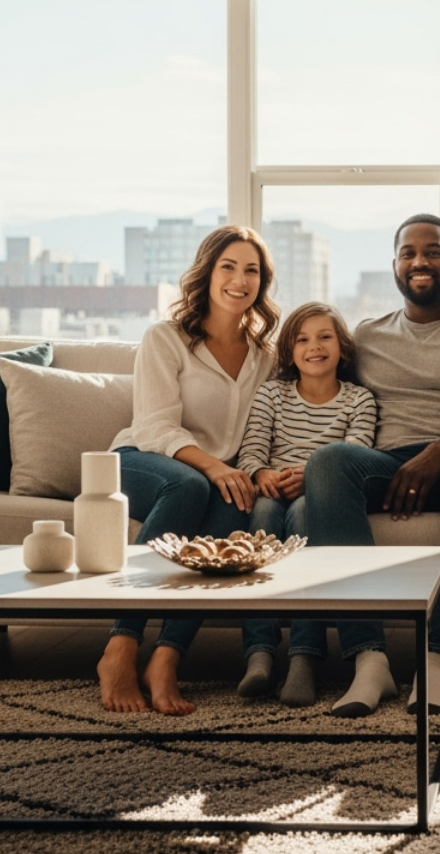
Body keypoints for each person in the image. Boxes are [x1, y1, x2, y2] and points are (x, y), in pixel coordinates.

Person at [301, 213, 440, 717]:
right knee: (328, 462)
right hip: (388, 464)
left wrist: (439, 451)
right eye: (409, 253)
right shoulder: (369, 334)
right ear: (395, 265)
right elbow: (323, 390)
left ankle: (437, 659)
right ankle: (369, 659)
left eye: (432, 251)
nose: (420, 261)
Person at [97, 225, 281, 716]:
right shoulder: (165, 338)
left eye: (252, 271)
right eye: (228, 266)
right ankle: (121, 645)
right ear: (207, 271)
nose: (240, 280)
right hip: (143, 460)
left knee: (233, 509)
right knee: (190, 487)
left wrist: (255, 470)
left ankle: (167, 657)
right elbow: (155, 426)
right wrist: (215, 466)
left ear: (262, 283)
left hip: (215, 477)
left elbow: (268, 427)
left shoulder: (267, 357)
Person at [234, 301, 378, 704]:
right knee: (261, 516)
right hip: (271, 489)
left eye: (324, 337)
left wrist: (311, 478)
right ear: (289, 352)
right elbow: (251, 454)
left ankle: (304, 657)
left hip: (317, 493)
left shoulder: (359, 400)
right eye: (302, 339)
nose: (314, 346)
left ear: (343, 348)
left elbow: (356, 455)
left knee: (302, 517)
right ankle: (259, 652)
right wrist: (261, 475)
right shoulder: (272, 394)